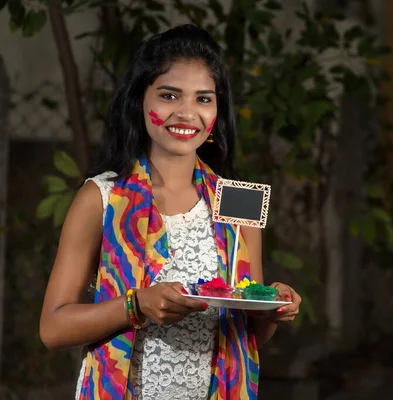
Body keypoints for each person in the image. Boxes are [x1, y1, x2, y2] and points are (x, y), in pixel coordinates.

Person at [39, 24, 302, 400]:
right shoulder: (102, 198)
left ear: (217, 111)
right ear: (140, 101)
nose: (186, 113)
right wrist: (136, 305)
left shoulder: (237, 200)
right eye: (169, 95)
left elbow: (248, 335)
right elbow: (52, 329)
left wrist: (271, 309)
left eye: (203, 99)